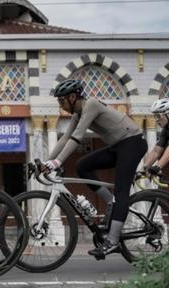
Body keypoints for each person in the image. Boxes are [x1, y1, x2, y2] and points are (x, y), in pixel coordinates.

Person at [42, 79, 147, 259]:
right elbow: (64, 139)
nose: (61, 105)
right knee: (82, 166)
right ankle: (110, 201)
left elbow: (77, 137)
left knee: (122, 190)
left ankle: (113, 241)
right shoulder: (77, 113)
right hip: (117, 146)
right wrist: (47, 161)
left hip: (132, 143)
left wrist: (57, 163)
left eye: (62, 101)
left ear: (73, 97)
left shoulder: (91, 104)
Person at [141, 98, 169, 176]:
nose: (157, 119)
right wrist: (144, 168)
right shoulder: (166, 129)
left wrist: (158, 166)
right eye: (155, 116)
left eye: (158, 115)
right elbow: (156, 151)